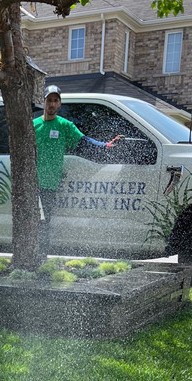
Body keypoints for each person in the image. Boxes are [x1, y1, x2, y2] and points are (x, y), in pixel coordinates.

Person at [34, 85, 120, 260]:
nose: (51, 104)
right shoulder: (33, 125)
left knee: (44, 223)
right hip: (31, 183)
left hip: (49, 184)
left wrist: (106, 146)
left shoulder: (65, 126)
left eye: (55, 100)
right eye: (48, 100)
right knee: (31, 223)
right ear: (43, 102)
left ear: (59, 103)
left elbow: (84, 142)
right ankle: (30, 257)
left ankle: (41, 259)